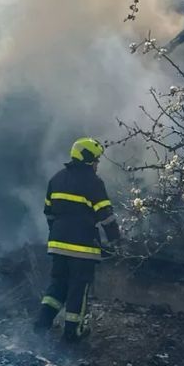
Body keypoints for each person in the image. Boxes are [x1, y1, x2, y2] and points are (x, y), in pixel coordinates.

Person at [33, 137, 122, 343]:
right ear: (89, 160)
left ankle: (41, 325)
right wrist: (116, 240)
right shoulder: (94, 182)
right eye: (97, 160)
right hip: (82, 247)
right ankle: (72, 333)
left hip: (57, 245)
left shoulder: (56, 179)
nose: (98, 165)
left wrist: (57, 234)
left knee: (57, 286)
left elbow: (48, 213)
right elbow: (105, 215)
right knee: (78, 289)